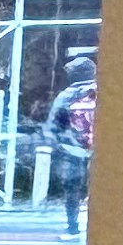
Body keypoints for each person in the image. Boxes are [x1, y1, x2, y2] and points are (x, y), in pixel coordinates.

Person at [46, 55, 98, 234]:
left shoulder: (65, 96)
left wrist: (59, 146)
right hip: (100, 152)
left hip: (72, 151)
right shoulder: (104, 92)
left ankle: (73, 226)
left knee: (72, 190)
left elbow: (53, 127)